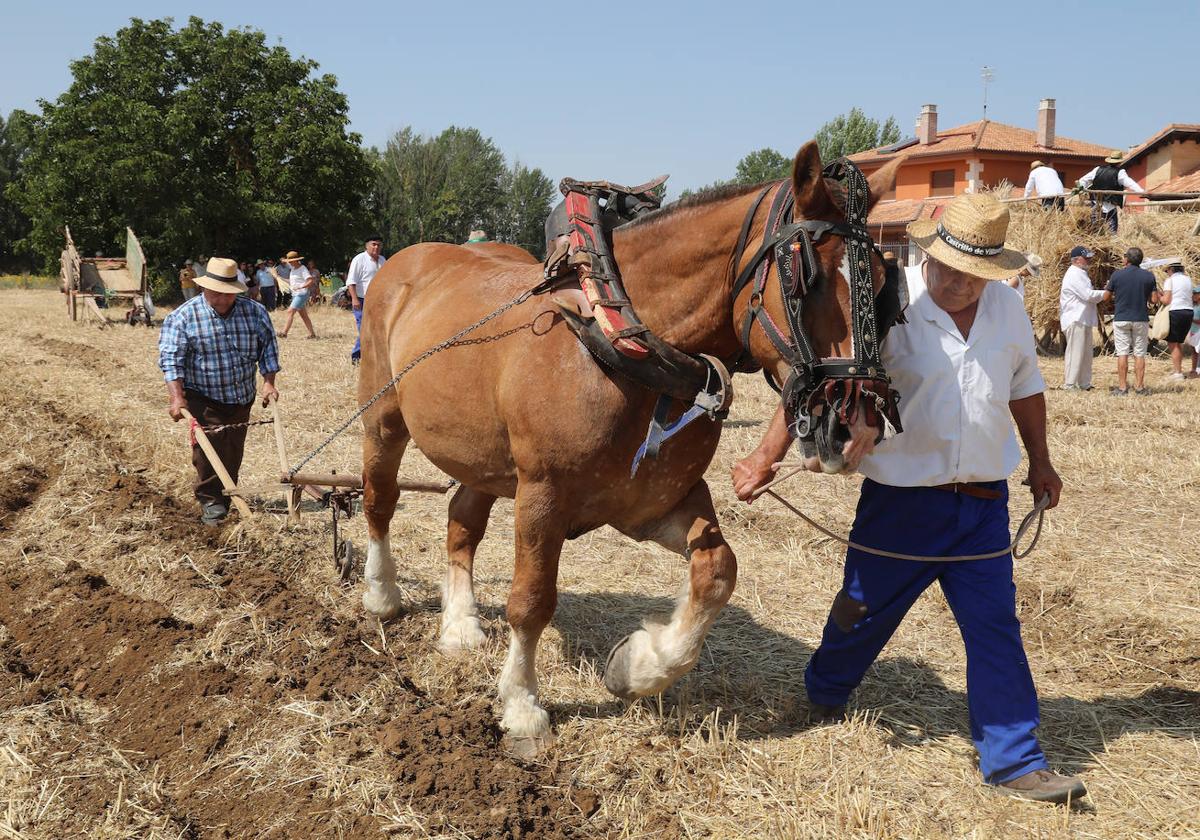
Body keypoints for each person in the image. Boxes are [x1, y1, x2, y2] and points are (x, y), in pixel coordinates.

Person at [731, 193, 1083, 804]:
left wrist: (1042, 462)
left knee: (995, 627)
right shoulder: (885, 303)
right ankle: (825, 690)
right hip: (901, 505)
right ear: (932, 253)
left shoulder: (1008, 310)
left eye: (974, 275)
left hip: (980, 507)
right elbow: (823, 378)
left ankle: (1014, 758)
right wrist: (767, 456)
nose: (959, 283)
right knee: (860, 610)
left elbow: (1025, 385)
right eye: (949, 268)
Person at [158, 257, 280, 525]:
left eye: (229, 295)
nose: (224, 300)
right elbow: (171, 360)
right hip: (203, 395)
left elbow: (268, 348)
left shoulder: (255, 312)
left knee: (233, 448)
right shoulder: (182, 317)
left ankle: (227, 492)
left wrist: (269, 381)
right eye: (217, 294)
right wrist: (177, 397)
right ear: (204, 288)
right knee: (208, 448)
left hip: (241, 395)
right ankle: (211, 501)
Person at [1104, 247, 1158, 395]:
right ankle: (1139, 387)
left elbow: (1105, 298)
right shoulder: (1149, 276)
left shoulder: (1117, 275)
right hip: (1140, 318)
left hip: (1121, 318)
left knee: (1122, 353)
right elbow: (1154, 300)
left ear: (1127, 259)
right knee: (1139, 354)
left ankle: (1122, 387)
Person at [1058, 246, 1107, 391]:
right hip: (1075, 317)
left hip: (1082, 317)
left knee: (1085, 353)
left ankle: (1084, 383)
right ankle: (1070, 383)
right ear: (1077, 260)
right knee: (1075, 352)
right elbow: (1087, 295)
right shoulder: (1074, 274)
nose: (1089, 260)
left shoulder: (1080, 273)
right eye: (1086, 258)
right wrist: (1106, 293)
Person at [1077, 151, 1144, 233]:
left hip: (1096, 204)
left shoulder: (1098, 169)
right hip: (1110, 206)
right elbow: (1130, 183)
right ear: (1120, 162)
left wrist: (1081, 189)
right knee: (1112, 232)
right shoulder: (1120, 172)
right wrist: (1141, 192)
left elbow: (1082, 181)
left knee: (1094, 231)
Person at [345, 234, 386, 363]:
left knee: (376, 329)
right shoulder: (359, 259)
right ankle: (356, 356)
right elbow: (351, 281)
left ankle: (373, 357)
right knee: (364, 329)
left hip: (377, 300)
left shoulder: (382, 260)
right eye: (373, 244)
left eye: (379, 245)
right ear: (366, 246)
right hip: (361, 300)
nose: (376, 247)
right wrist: (354, 299)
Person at [1161, 262, 1195, 381]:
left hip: (1175, 311)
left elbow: (1166, 300)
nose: (1167, 273)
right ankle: (1178, 370)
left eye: (1167, 271)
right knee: (1178, 342)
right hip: (1189, 311)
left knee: (1173, 343)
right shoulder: (1188, 280)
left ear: (1171, 269)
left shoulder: (1169, 281)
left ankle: (1178, 373)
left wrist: (1159, 296)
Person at [275, 250, 317, 339]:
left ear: (295, 260)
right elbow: (292, 282)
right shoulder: (293, 269)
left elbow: (310, 280)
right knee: (303, 315)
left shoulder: (303, 269)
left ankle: (284, 333)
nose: (289, 263)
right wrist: (280, 278)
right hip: (296, 294)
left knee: (290, 311)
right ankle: (312, 334)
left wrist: (301, 287)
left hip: (302, 294)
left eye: (290, 261)